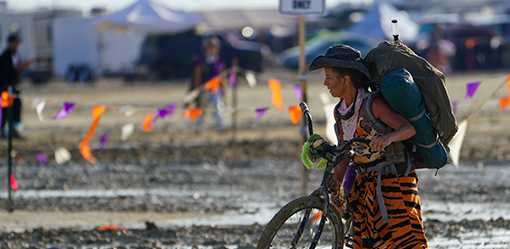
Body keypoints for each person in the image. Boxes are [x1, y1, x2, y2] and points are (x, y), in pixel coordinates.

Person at [307, 45, 428, 248]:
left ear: (346, 79)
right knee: (366, 242)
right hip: (364, 185)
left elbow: (409, 129)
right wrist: (335, 183)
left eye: (329, 77)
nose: (325, 83)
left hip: (394, 181)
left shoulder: (373, 105)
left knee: (404, 240)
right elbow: (345, 152)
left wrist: (388, 138)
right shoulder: (340, 112)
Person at [190, 37, 225, 130]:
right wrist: (197, 89)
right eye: (211, 47)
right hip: (203, 88)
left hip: (215, 89)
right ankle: (198, 127)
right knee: (201, 108)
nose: (213, 49)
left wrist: (223, 89)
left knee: (217, 107)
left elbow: (220, 76)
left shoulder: (218, 60)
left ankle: (219, 126)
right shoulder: (201, 60)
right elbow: (197, 75)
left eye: (215, 47)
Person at [0, 33, 31, 138]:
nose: (18, 45)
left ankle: (13, 130)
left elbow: (14, 71)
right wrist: (20, 67)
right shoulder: (5, 56)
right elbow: (8, 73)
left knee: (15, 108)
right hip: (5, 88)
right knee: (5, 111)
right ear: (11, 43)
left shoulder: (14, 55)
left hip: (12, 88)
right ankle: (4, 131)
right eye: (16, 43)